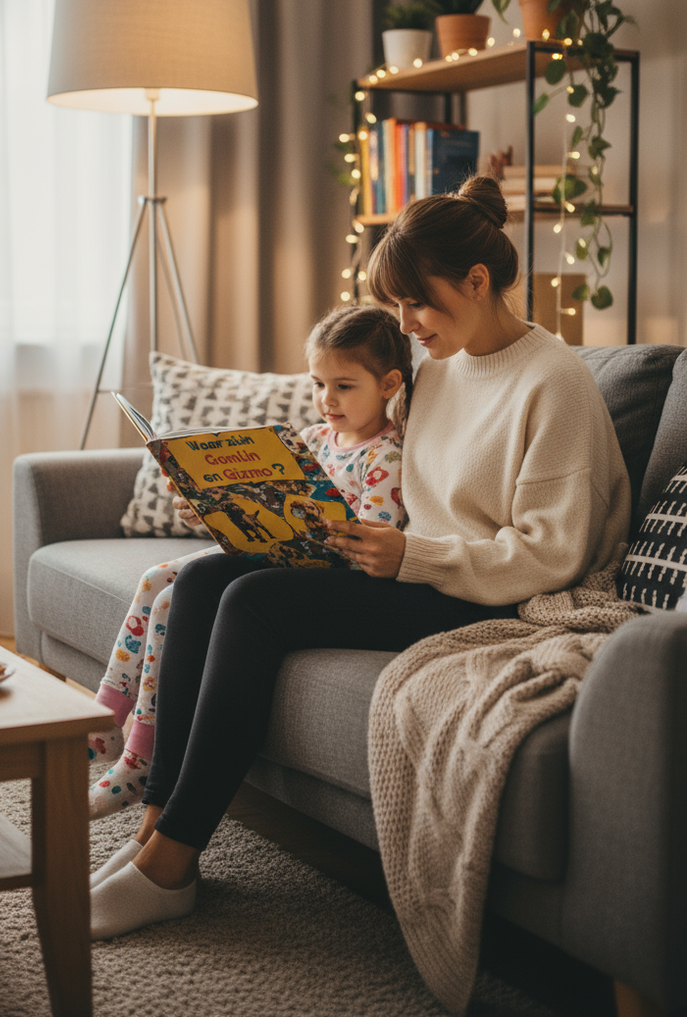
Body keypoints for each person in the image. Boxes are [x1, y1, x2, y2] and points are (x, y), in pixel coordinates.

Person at [88, 175, 631, 941]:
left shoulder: (556, 383)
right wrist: (235, 508)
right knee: (207, 577)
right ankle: (153, 830)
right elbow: (370, 466)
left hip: (491, 591)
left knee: (255, 603)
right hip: (411, 562)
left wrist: (411, 554)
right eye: (399, 306)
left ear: (477, 282)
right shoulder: (435, 368)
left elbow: (550, 553)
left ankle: (172, 862)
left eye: (418, 304)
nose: (405, 324)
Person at [86, 304, 412, 820]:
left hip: (312, 575)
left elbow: (370, 539)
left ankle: (139, 752)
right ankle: (104, 718)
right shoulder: (311, 439)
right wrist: (208, 508)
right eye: (318, 384)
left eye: (344, 386)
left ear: (390, 383)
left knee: (174, 598)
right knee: (156, 579)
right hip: (264, 551)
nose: (327, 400)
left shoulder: (386, 456)